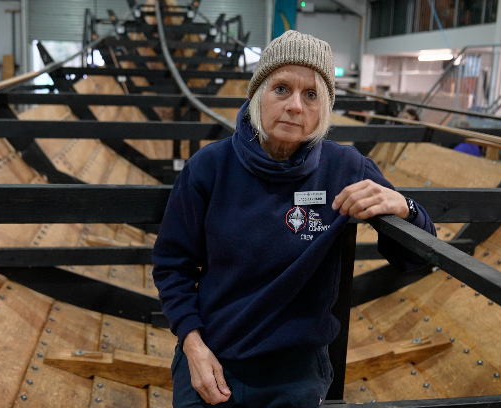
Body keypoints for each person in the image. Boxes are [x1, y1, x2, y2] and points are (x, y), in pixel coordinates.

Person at [152, 31, 436, 408]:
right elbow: (173, 265)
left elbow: (416, 258)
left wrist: (405, 207)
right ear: (257, 96)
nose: (295, 106)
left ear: (323, 109)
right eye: (281, 89)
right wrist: (192, 345)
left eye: (311, 95)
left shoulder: (345, 167)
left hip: (298, 371)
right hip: (215, 355)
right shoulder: (210, 167)